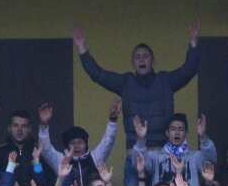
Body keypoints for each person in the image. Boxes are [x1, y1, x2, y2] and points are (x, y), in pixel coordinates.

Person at [73, 22, 200, 150]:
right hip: (134, 150)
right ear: (132, 63)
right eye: (137, 57)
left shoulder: (166, 81)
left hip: (163, 151)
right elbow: (98, 74)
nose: (141, 60)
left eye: (145, 56)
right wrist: (82, 47)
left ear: (153, 61)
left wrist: (193, 42)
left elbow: (188, 71)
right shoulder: (125, 83)